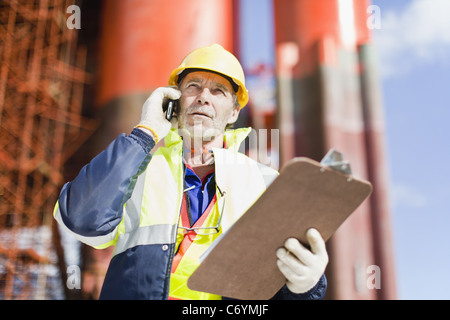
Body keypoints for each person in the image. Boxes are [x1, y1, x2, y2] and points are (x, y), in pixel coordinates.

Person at [53, 44, 328, 300]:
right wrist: (144, 133)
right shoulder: (137, 169)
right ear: (174, 101)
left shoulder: (264, 181)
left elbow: (273, 290)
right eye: (193, 87)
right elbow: (82, 220)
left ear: (234, 112)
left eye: (218, 91)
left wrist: (306, 286)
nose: (203, 98)